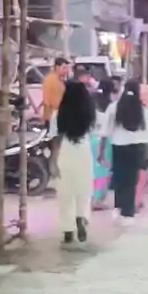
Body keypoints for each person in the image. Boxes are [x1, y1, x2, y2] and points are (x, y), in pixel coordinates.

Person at [99, 79, 148, 226]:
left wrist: (101, 151)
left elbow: (105, 132)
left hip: (118, 146)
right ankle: (128, 213)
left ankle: (118, 207)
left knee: (119, 177)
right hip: (137, 148)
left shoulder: (114, 107)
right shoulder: (143, 109)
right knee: (131, 180)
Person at [49, 80, 96, 245]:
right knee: (84, 189)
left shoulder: (58, 114)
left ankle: (68, 229)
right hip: (83, 150)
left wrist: (53, 161)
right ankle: (81, 217)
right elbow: (94, 132)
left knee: (65, 192)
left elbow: (55, 139)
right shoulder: (90, 114)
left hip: (65, 151)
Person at [91, 78, 116, 210]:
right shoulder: (112, 106)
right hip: (105, 141)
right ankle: (97, 199)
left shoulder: (91, 102)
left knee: (93, 171)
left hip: (91, 139)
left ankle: (92, 197)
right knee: (103, 172)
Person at [42, 57, 70, 125]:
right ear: (57, 67)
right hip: (53, 116)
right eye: (64, 68)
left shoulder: (61, 80)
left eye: (67, 68)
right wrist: (47, 117)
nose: (66, 71)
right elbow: (46, 101)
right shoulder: (50, 80)